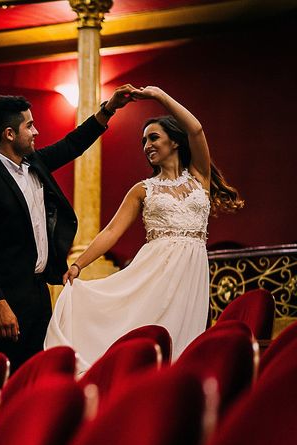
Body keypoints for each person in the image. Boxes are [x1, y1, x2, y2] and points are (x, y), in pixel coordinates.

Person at [45, 86, 244, 371]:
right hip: (153, 272)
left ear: (175, 142)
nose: (147, 145)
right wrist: (78, 265)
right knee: (148, 333)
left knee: (183, 342)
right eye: (143, 141)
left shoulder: (199, 176)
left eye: (153, 138)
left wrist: (160, 97)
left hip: (191, 270)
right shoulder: (142, 190)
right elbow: (111, 232)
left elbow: (196, 130)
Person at [0, 85, 139, 372]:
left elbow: (73, 144)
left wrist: (109, 109)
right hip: (6, 301)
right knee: (10, 377)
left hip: (37, 290)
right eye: (29, 126)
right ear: (10, 134)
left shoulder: (34, 163)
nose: (36, 132)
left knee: (38, 372)